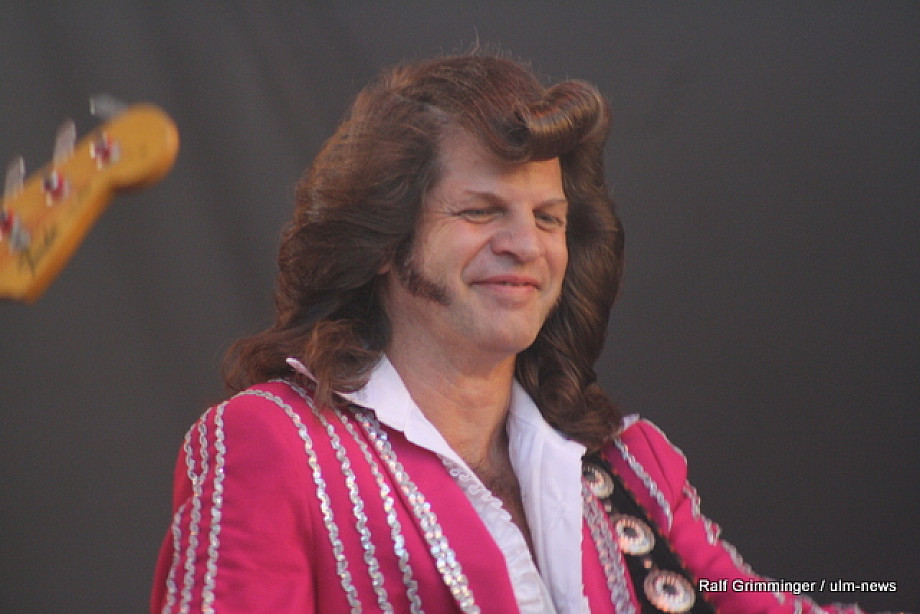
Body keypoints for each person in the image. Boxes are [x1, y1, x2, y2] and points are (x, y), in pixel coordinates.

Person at [152, 52, 870, 613]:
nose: (526, 246)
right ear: (381, 241)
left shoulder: (632, 467)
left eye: (548, 218)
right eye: (480, 211)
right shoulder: (273, 445)